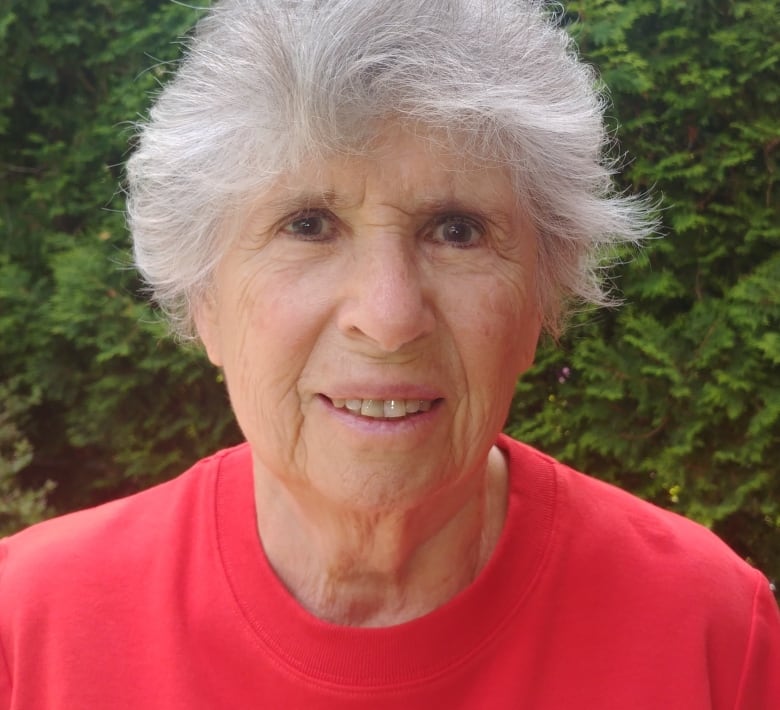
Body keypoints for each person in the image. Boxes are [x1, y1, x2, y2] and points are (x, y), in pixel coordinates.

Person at [1, 0, 778, 707]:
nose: (389, 316)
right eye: (307, 224)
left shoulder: (710, 632)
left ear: (544, 297)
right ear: (203, 299)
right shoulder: (28, 633)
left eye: (457, 229)